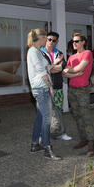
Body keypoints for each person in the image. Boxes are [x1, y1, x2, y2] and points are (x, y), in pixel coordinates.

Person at [26, 28, 62, 160]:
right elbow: (42, 73)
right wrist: (50, 87)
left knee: (40, 117)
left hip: (40, 88)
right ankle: (47, 148)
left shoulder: (37, 51)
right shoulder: (33, 52)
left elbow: (45, 68)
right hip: (41, 89)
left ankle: (35, 144)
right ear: (40, 38)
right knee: (47, 119)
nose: (47, 40)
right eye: (45, 37)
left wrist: (55, 63)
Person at [63, 33, 94, 156]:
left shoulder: (87, 53)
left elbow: (79, 68)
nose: (74, 43)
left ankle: (91, 142)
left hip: (82, 90)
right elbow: (65, 74)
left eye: (77, 41)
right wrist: (75, 74)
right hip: (72, 89)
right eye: (73, 41)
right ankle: (84, 139)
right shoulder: (71, 57)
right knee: (77, 116)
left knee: (85, 116)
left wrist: (70, 71)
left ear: (83, 42)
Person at [40, 32, 73, 141]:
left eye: (54, 40)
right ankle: (42, 135)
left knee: (58, 110)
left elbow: (61, 67)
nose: (51, 42)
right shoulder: (39, 52)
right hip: (44, 86)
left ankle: (60, 132)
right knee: (45, 113)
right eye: (49, 39)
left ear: (56, 41)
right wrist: (55, 64)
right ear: (46, 39)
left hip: (57, 86)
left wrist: (51, 67)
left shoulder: (59, 53)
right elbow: (43, 69)